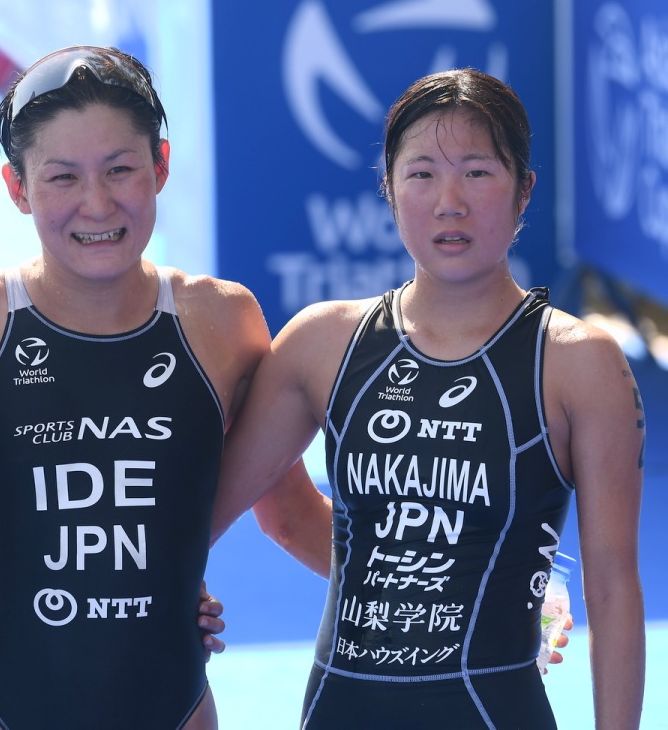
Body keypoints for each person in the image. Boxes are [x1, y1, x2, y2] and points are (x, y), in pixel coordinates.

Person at [211, 67, 646, 729]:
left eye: (477, 171)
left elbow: (613, 586)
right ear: (387, 188)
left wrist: (507, 588)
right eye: (421, 174)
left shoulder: (580, 363)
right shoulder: (320, 344)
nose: (450, 201)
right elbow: (226, 519)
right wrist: (174, 590)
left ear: (525, 190)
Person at [0, 46, 270, 729]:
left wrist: (452, 590)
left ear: (161, 165)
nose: (97, 203)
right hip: (0, 709)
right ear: (17, 187)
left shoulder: (223, 320)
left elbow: (282, 507)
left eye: (120, 169)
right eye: (62, 177)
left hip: (172, 707)